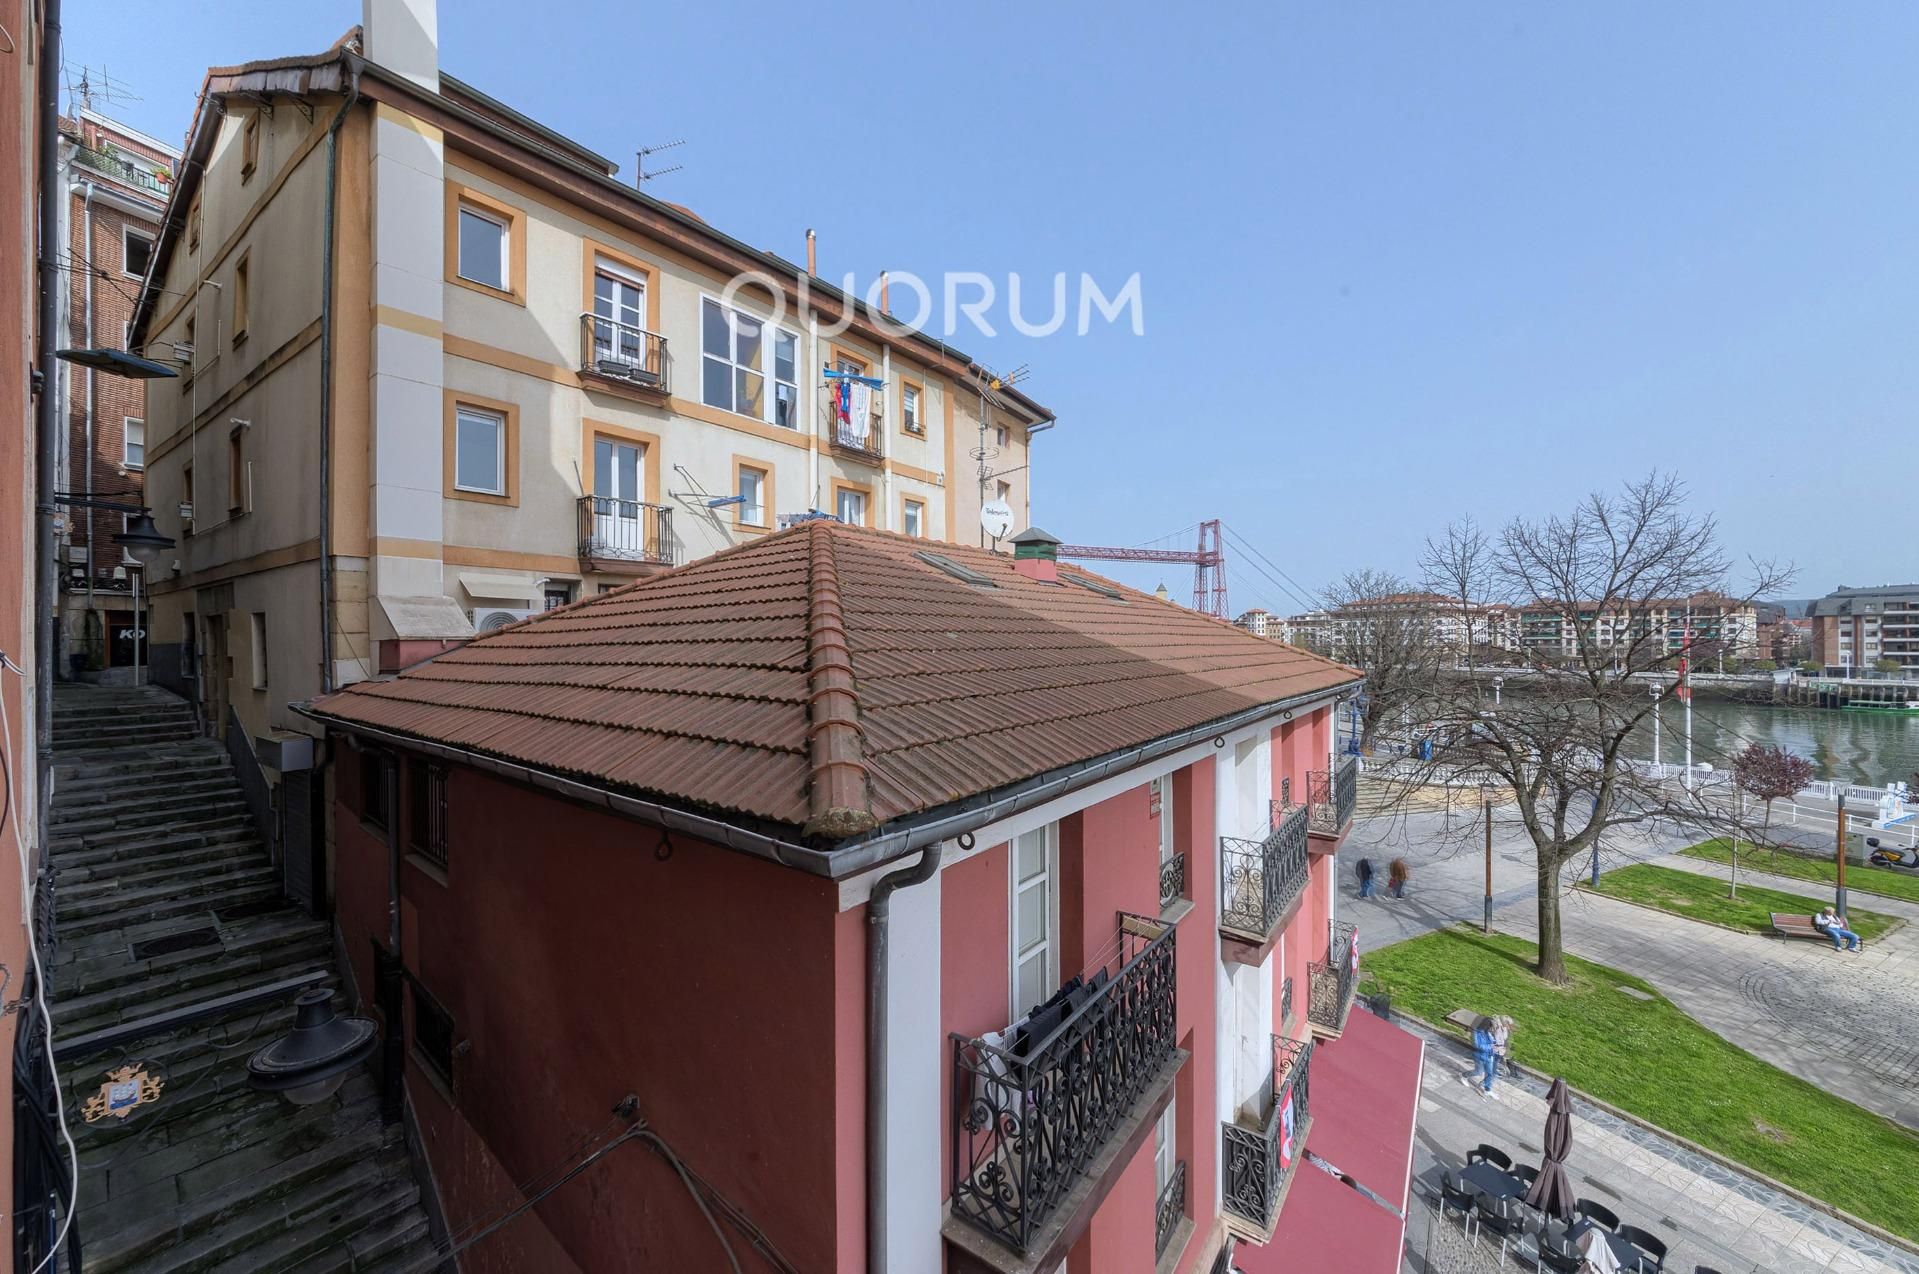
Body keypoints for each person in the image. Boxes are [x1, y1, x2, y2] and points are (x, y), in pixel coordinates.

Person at [1466, 1017, 1499, 1097]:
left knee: (1490, 1074)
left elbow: (1492, 1041)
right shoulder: (1476, 1033)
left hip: (1489, 1055)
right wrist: (1490, 1046)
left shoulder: (1488, 1032)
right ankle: (1464, 1075)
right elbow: (1477, 1045)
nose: (1491, 1029)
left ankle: (1487, 1090)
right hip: (1479, 1056)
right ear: (1486, 1026)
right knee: (1478, 1072)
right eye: (1490, 1027)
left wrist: (1496, 1045)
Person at [1489, 1014, 1519, 1079]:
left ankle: (1494, 1070)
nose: (1509, 1025)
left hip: (1500, 1047)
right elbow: (1497, 1039)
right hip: (1495, 1047)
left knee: (1498, 1059)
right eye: (1508, 1023)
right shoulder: (1498, 1028)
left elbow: (1505, 1038)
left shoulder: (1504, 1028)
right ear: (1504, 1022)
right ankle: (1493, 1072)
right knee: (1496, 1059)